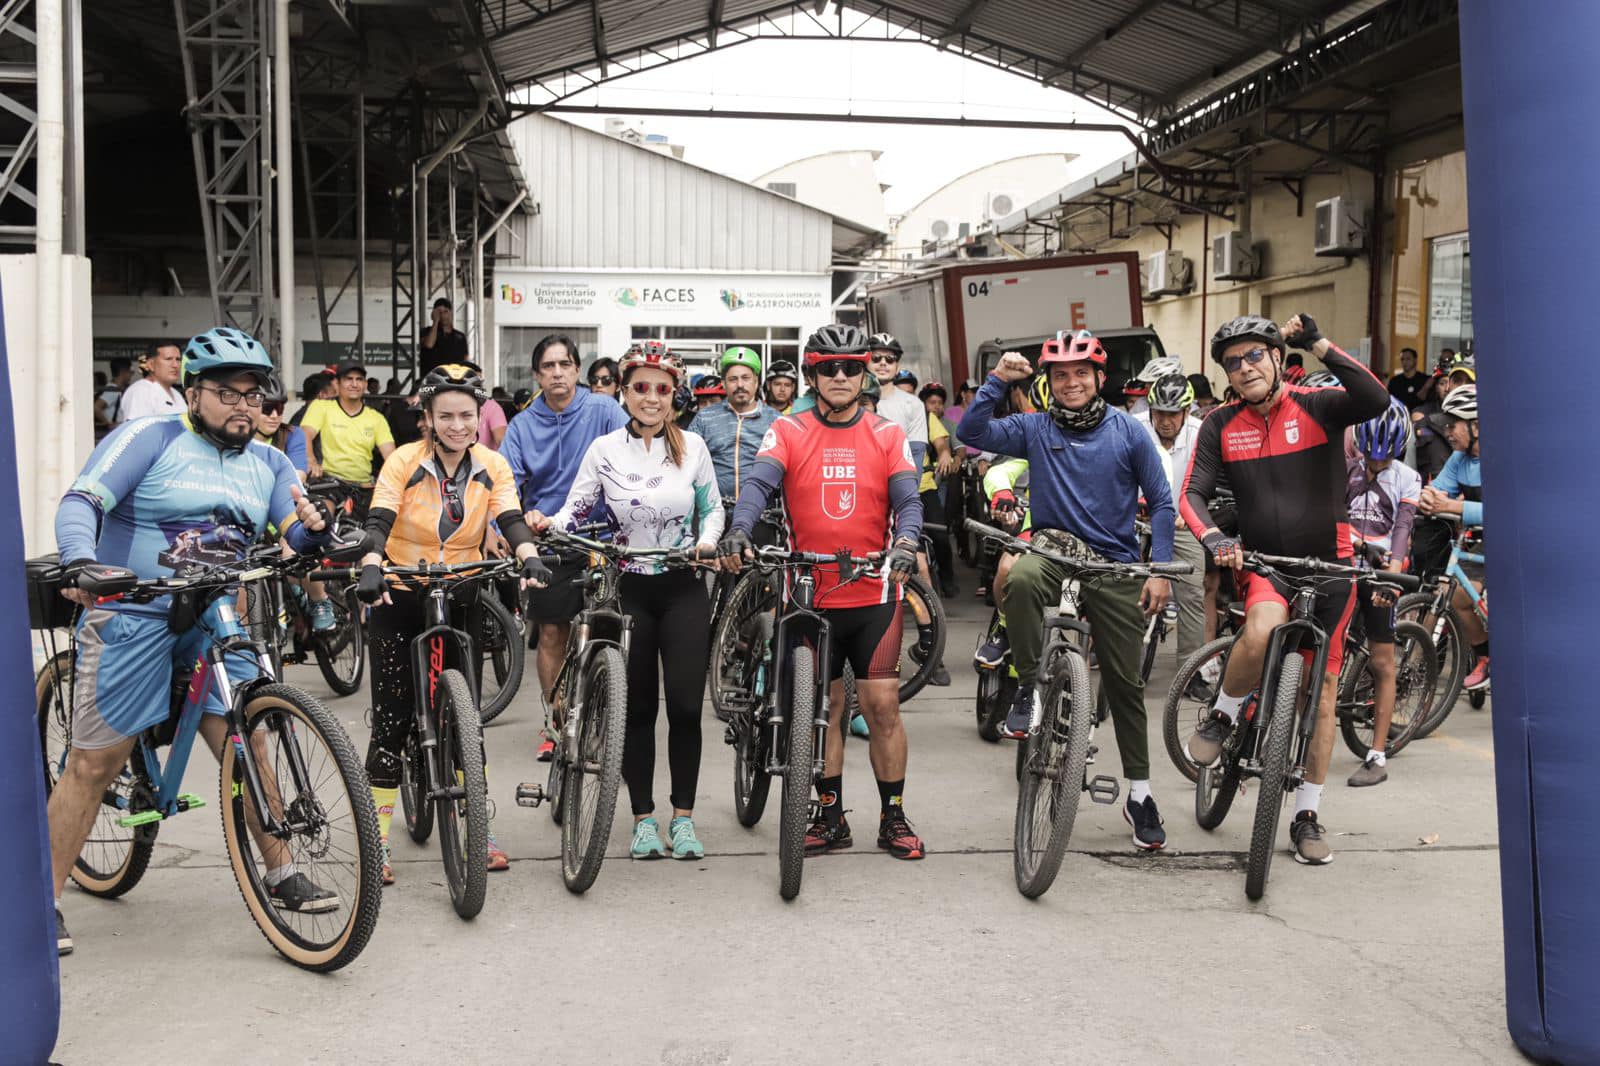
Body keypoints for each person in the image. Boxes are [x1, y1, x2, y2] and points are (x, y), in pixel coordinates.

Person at [49, 327, 339, 955]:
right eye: (226, 392)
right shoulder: (148, 439)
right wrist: (81, 559)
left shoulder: (268, 461)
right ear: (191, 392)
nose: (242, 405)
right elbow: (82, 503)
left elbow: (295, 533)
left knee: (250, 735)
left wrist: (314, 532)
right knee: (94, 762)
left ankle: (282, 869)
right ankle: (42, 900)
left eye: (252, 393)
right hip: (135, 610)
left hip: (217, 613)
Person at [1181, 312, 1389, 866]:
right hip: (1267, 563)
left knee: (1320, 691)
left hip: (1332, 567)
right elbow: (1193, 496)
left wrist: (1319, 341)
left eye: (1255, 355)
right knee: (1261, 627)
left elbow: (1374, 398)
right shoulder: (1220, 424)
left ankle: (1306, 814)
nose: (1244, 367)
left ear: (1278, 358)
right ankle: (1224, 714)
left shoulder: (1317, 406)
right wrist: (1216, 537)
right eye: (1232, 361)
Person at [959, 332, 1177, 851]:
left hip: (1114, 562)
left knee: (1125, 682)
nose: (1071, 382)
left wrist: (1160, 570)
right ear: (1048, 383)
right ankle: (1031, 690)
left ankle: (1140, 793)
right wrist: (996, 381)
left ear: (1100, 378)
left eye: (1082, 373)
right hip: (1053, 550)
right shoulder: (1034, 427)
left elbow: (1162, 503)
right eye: (1060, 375)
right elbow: (971, 430)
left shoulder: (1129, 431)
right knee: (1021, 577)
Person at [720, 323, 926, 861]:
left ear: (863, 375)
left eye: (851, 367)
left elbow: (908, 499)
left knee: (881, 708)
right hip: (807, 593)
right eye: (829, 368)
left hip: (873, 594)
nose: (840, 376)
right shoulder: (788, 430)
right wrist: (739, 528)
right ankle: (830, 816)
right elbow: (760, 485)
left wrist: (906, 539)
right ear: (813, 373)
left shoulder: (886, 433)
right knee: (826, 706)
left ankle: (893, 816)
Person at [355, 364, 549, 883]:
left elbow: (509, 516)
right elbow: (379, 519)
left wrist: (528, 553)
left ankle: (477, 829)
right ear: (428, 416)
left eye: (467, 415)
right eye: (446, 416)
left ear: (480, 416)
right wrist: (371, 565)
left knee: (468, 723)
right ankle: (376, 840)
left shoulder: (491, 464)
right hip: (399, 592)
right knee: (394, 719)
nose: (457, 425)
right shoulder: (403, 460)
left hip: (460, 589)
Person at [532, 344, 724, 860]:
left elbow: (713, 511)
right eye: (640, 386)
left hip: (684, 587)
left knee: (684, 708)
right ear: (624, 389)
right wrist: (549, 525)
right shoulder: (604, 450)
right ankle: (643, 819)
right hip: (628, 590)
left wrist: (706, 542)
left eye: (662, 388)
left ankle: (683, 818)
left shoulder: (695, 448)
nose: (651, 397)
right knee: (636, 710)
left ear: (674, 394)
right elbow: (577, 507)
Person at [501, 333, 629, 760]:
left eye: (565, 364)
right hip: (549, 540)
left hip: (605, 537)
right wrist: (521, 520)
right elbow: (506, 485)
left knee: (607, 629)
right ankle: (556, 724)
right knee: (553, 631)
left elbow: (631, 463)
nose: (557, 373)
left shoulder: (605, 410)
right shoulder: (521, 426)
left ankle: (603, 708)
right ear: (538, 375)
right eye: (548, 367)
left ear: (577, 370)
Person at [1345, 398, 1423, 787]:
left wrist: (1392, 581)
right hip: (1342, 564)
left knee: (1382, 661)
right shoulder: (1346, 466)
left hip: (1380, 572)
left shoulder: (1407, 478)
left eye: (1384, 460)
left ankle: (1377, 755)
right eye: (1370, 459)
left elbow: (1403, 533)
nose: (1375, 466)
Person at [300, 359, 397, 630]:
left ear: (365, 384)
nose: (354, 384)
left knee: (380, 535)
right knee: (321, 525)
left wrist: (397, 478)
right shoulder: (322, 407)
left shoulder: (375, 418)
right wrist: (310, 460)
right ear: (337, 384)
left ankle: (371, 597)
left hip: (364, 485)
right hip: (331, 481)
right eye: (348, 379)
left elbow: (391, 455)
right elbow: (304, 435)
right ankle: (320, 592)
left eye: (359, 379)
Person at [1135, 373, 1208, 685]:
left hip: (1182, 521)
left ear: (1187, 411)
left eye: (1172, 414)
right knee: (1119, 584)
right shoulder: (1134, 426)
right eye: (1159, 412)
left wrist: (1190, 515)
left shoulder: (1201, 433)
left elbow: (1208, 481)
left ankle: (1191, 674)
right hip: (1135, 518)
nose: (1164, 421)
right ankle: (1116, 653)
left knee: (1192, 592)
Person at [1418, 384, 1486, 690]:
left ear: (1476, 425)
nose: (1448, 432)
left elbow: (1502, 511)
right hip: (1477, 542)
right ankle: (1486, 655)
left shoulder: (1498, 459)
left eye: (1453, 424)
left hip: (1514, 545)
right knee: (1458, 597)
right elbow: (1438, 490)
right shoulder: (1459, 459)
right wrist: (1428, 499)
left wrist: (1451, 506)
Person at [689, 346, 779, 505]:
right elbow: (687, 462)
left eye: (746, 378)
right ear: (723, 383)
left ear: (756, 381)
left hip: (762, 514)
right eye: (733, 379)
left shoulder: (776, 420)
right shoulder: (704, 418)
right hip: (714, 512)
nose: (740, 384)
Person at [917, 381, 960, 599]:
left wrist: (944, 453)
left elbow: (942, 443)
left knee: (940, 535)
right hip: (894, 489)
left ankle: (947, 578)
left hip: (925, 487)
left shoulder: (926, 418)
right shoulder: (882, 412)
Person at [252, 376, 308, 476]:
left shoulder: (292, 434)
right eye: (267, 409)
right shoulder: (237, 436)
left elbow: (298, 476)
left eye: (279, 408)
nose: (274, 416)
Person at [118, 341, 184, 422]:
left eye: (178, 359)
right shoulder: (140, 391)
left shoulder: (176, 394)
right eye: (168, 359)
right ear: (151, 364)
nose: (175, 365)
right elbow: (137, 431)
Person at [419, 297, 469, 372]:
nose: (443, 315)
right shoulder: (426, 331)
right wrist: (435, 321)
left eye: (445, 312)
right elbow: (429, 344)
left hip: (454, 377)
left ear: (451, 313)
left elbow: (465, 359)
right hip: (432, 377)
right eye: (439, 313)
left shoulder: (460, 336)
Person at [95, 357, 134, 438]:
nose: (131, 375)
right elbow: (96, 407)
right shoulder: (113, 390)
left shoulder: (112, 388)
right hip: (111, 433)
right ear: (123, 372)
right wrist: (108, 423)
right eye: (130, 372)